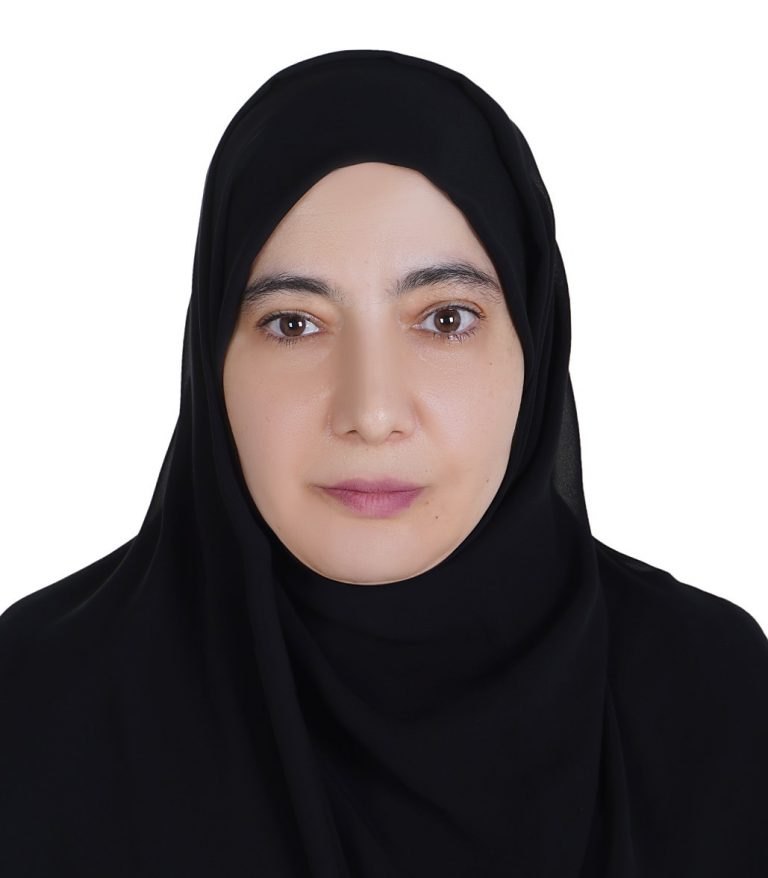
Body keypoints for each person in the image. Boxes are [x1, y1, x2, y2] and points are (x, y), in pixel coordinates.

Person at [1, 48, 766, 878]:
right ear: (212, 356)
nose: (370, 412)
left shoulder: (714, 693)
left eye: (445, 319)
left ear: (536, 347)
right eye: (293, 323)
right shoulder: (34, 704)